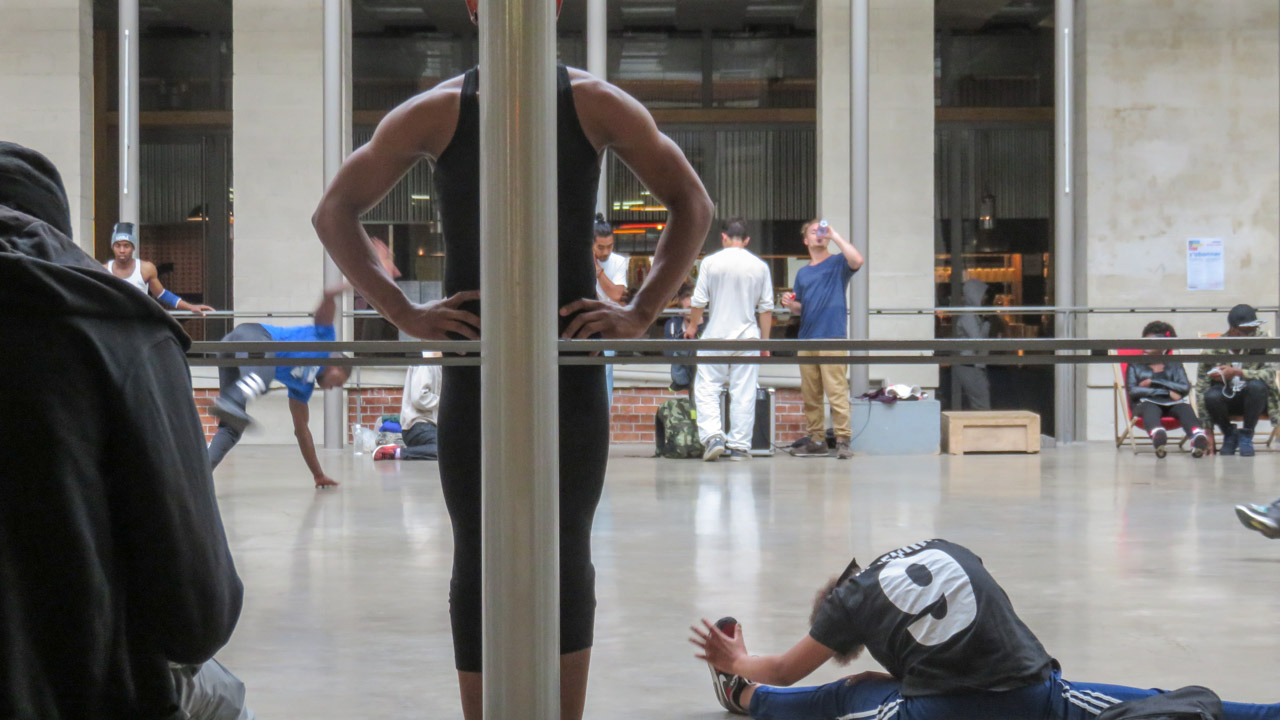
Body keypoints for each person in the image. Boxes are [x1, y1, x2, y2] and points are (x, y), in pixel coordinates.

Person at [310, 1, 714, 715]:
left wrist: (641, 312)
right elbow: (334, 210)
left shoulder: (593, 103)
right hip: (477, 367)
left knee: (566, 547)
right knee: (477, 548)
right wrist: (404, 313)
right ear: (474, 6)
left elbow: (692, 202)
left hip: (569, 367)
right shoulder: (439, 112)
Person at [0, 141, 250, 719]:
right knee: (225, 699)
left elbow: (166, 295)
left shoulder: (143, 282)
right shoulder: (124, 329)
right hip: (83, 688)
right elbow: (196, 618)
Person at [690, 539, 1280, 720]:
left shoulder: (847, 607)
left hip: (940, 710)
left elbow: (785, 668)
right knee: (1160, 701)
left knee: (843, 698)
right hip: (1034, 693)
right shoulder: (941, 546)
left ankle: (743, 698)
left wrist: (735, 659)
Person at [207, 286, 352, 488]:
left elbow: (302, 431)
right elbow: (326, 305)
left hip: (233, 355)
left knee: (232, 428)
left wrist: (318, 474)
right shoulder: (326, 339)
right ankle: (230, 402)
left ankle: (198, 476)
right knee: (264, 373)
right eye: (338, 383)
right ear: (338, 365)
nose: (332, 388)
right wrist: (338, 291)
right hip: (253, 336)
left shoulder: (303, 387)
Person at [686, 218, 775, 462]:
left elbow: (698, 301)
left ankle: (713, 437)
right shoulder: (760, 266)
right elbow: (766, 309)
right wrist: (765, 343)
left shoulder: (710, 262)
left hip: (715, 336)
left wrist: (692, 326)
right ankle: (739, 446)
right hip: (748, 337)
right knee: (744, 392)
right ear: (747, 240)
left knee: (707, 388)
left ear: (723, 237)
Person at [780, 220, 863, 459]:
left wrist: (835, 235)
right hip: (807, 338)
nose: (820, 234)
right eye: (814, 231)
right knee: (811, 394)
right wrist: (790, 304)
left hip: (832, 335)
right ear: (805, 240)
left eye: (822, 231)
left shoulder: (838, 262)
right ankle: (817, 439)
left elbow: (857, 260)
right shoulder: (803, 273)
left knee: (836, 391)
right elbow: (801, 307)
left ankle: (843, 440)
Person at [1194, 304, 1280, 457]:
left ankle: (1246, 435)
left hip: (1255, 400)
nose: (1251, 335)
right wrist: (1208, 430)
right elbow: (1201, 389)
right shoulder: (1213, 350)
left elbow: (1270, 374)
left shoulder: (1260, 343)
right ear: (1233, 330)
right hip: (1226, 401)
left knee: (1257, 387)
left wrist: (1237, 373)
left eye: (1253, 331)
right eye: (1247, 332)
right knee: (1211, 395)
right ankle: (1229, 434)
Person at [1126, 321, 1209, 458]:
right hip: (1144, 404)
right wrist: (1167, 392)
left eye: (1150, 343)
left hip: (1172, 403)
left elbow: (1184, 387)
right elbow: (1133, 391)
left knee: (1184, 408)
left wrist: (1154, 381)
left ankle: (1197, 437)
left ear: (1163, 346)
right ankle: (1158, 435)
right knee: (1150, 408)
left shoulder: (1174, 364)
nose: (1145, 345)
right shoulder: (1135, 364)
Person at [104, 221, 216, 315]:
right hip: (113, 326)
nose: (122, 250)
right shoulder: (103, 270)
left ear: (133, 247)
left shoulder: (145, 269)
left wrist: (190, 307)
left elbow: (162, 294)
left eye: (126, 246)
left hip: (138, 325)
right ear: (113, 247)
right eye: (118, 246)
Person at [374, 352, 442, 461]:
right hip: (418, 426)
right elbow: (419, 398)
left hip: (429, 426)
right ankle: (396, 453)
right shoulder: (425, 362)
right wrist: (444, 401)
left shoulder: (438, 363)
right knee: (444, 450)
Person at [594, 215, 628, 402]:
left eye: (610, 246)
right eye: (601, 247)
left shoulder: (618, 261)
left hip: (607, 327)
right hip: (587, 325)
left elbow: (616, 294)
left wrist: (597, 271)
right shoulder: (579, 261)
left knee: (604, 374)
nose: (606, 251)